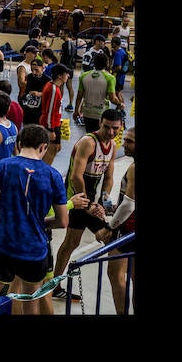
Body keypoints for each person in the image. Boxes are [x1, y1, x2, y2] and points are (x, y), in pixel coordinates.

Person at [0, 124, 77, 315]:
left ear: (19, 143)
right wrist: (40, 223)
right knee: (30, 305)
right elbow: (63, 221)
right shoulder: (53, 175)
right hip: (35, 252)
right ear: (43, 147)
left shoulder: (2, 166)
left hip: (4, 247)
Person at [51, 108, 121, 301]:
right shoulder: (88, 142)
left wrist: (104, 201)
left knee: (106, 237)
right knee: (72, 242)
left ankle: (117, 280)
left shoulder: (113, 146)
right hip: (76, 195)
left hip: (91, 198)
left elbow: (108, 177)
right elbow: (75, 177)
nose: (110, 132)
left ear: (120, 127)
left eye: (115, 128)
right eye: (106, 127)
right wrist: (88, 203)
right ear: (100, 123)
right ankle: (54, 285)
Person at [96, 126, 136, 314]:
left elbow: (128, 205)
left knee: (115, 273)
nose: (124, 144)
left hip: (128, 230)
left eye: (129, 141)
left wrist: (109, 227)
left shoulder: (135, 168)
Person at [39, 63, 71, 165]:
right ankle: (43, 171)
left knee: (56, 147)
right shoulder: (53, 89)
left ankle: (44, 168)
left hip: (55, 123)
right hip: (50, 124)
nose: (68, 76)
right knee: (53, 148)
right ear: (60, 76)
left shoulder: (55, 88)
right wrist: (50, 129)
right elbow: (50, 110)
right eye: (66, 74)